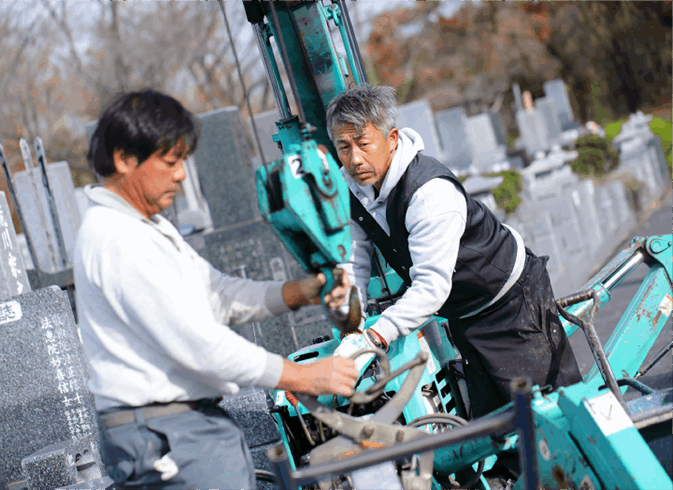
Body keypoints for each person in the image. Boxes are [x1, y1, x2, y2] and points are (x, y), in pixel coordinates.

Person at [75, 89, 358, 489]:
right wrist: (302, 377)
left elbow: (217, 294)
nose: (181, 175)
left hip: (184, 426)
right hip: (166, 434)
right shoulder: (118, 240)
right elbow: (197, 344)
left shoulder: (145, 227)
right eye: (170, 162)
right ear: (124, 159)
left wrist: (300, 292)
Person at [329, 84, 582, 420]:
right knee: (494, 430)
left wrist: (374, 337)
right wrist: (351, 323)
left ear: (391, 139)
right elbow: (354, 260)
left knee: (553, 419)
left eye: (363, 144)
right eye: (343, 148)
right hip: (464, 313)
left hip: (509, 303)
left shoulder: (428, 193)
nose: (354, 159)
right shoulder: (356, 190)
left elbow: (432, 286)